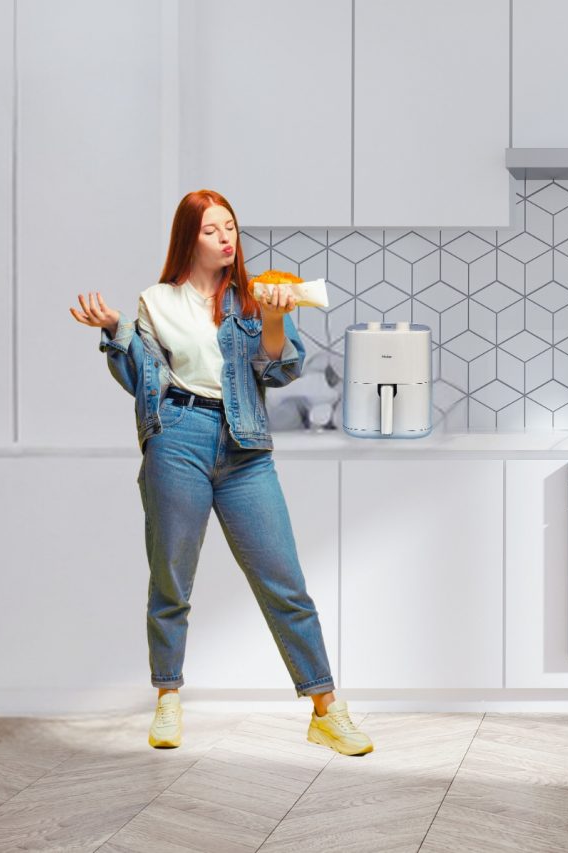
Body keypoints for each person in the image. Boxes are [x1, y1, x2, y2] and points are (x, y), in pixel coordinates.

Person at [69, 189, 373, 756]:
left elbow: (280, 369)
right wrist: (115, 330)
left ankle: (327, 711)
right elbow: (140, 380)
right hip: (177, 439)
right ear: (190, 238)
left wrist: (277, 319)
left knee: (285, 582)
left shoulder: (255, 298)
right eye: (212, 230)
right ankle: (167, 699)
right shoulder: (155, 301)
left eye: (230, 226)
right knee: (172, 578)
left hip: (245, 447)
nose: (226, 238)